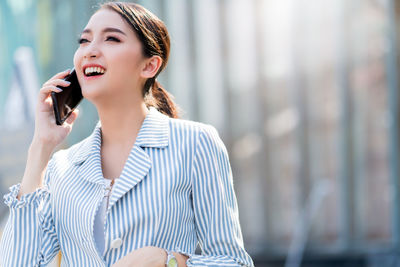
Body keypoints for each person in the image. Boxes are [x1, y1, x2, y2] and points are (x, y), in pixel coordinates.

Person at [0, 2, 254, 266]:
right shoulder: (61, 168)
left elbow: (233, 261)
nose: (90, 51)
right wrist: (40, 147)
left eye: (111, 38)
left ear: (150, 66)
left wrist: (168, 261)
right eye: (84, 40)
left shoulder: (194, 143)